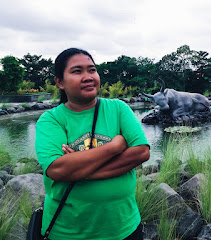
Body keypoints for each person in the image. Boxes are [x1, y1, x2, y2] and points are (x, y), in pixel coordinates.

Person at [35, 48, 150, 240]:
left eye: (92, 70)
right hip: (67, 232)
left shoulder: (118, 108)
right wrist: (113, 148)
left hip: (124, 228)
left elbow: (141, 153)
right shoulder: (51, 120)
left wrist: (82, 170)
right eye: (77, 71)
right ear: (60, 82)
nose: (88, 76)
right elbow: (57, 170)